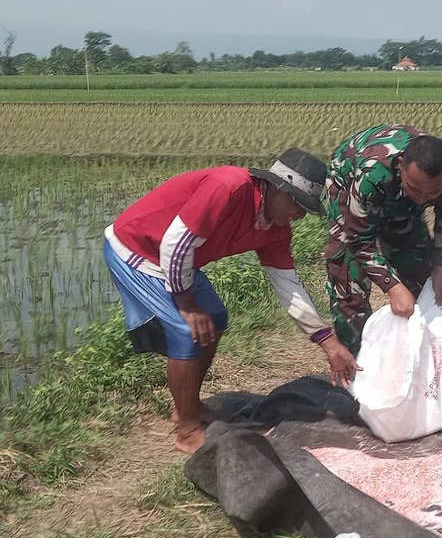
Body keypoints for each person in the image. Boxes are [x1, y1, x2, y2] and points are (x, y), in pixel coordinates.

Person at [103, 148, 360, 454]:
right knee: (186, 331)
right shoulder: (228, 188)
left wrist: (329, 343)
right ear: (276, 187)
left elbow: (288, 285)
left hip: (179, 260)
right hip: (138, 249)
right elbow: (175, 242)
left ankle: (189, 407)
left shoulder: (275, 231)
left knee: (215, 318)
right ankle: (187, 431)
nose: (300, 215)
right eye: (297, 203)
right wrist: (186, 305)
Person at [324, 125, 442, 353]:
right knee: (349, 278)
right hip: (349, 177)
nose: (422, 200)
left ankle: (413, 355)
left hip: (395, 192)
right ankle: (357, 362)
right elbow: (359, 240)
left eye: (432, 194)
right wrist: (392, 286)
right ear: (401, 165)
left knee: (420, 277)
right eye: (415, 188)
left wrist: (440, 266)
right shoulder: (371, 176)